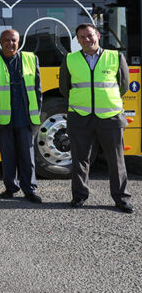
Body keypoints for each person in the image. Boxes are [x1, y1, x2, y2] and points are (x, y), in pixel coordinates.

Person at [60, 23, 133, 213]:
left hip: (110, 116)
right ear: (77, 40)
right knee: (80, 159)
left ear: (98, 35)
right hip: (80, 116)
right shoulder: (70, 59)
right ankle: (79, 196)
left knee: (116, 159)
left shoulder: (115, 57)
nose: (86, 39)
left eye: (90, 35)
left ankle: (121, 198)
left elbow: (123, 85)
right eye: (82, 37)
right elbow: (64, 88)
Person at [0, 29, 43, 203]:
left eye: (13, 40)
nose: (10, 43)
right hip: (2, 116)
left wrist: (37, 112)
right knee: (7, 155)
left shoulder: (31, 58)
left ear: (19, 42)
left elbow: (38, 89)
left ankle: (30, 189)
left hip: (25, 117)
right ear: (0, 42)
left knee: (27, 155)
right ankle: (11, 187)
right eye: (6, 40)